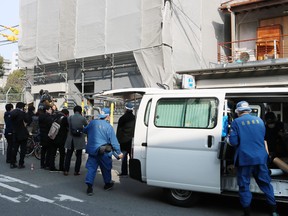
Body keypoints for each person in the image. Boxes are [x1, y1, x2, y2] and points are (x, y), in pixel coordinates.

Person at [229, 101, 279, 216]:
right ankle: (274, 211)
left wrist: (228, 138)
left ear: (237, 111)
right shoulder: (260, 121)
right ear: (248, 110)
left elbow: (233, 142)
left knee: (244, 185)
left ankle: (247, 213)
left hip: (245, 159)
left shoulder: (236, 122)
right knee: (265, 184)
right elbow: (261, 138)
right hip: (261, 158)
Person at [84, 107, 123, 195]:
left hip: (93, 150)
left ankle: (89, 187)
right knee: (106, 168)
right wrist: (119, 152)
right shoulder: (109, 127)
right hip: (104, 151)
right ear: (108, 116)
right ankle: (107, 184)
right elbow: (114, 142)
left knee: (91, 168)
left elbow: (85, 130)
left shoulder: (92, 123)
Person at [64, 105, 88, 176]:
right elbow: (87, 127)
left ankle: (66, 170)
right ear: (80, 111)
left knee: (68, 155)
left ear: (74, 111)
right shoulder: (82, 118)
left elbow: (67, 126)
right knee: (79, 155)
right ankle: (76, 171)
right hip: (79, 138)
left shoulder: (70, 118)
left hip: (70, 138)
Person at [116, 102, 135, 177]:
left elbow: (119, 130)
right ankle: (133, 173)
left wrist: (117, 140)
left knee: (123, 157)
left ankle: (124, 172)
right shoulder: (135, 118)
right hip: (132, 141)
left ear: (125, 109)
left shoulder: (122, 118)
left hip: (123, 141)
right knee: (132, 157)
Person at [10, 102, 30, 169]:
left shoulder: (12, 113)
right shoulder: (22, 113)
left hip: (15, 132)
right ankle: (21, 163)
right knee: (23, 149)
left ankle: (12, 163)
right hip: (22, 133)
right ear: (22, 107)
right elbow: (27, 120)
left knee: (14, 149)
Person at [38, 105, 54, 170]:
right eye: (50, 109)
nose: (51, 110)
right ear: (46, 110)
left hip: (42, 134)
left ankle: (42, 164)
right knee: (49, 150)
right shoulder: (49, 117)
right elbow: (51, 125)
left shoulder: (40, 116)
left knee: (43, 150)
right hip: (48, 134)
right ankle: (47, 163)